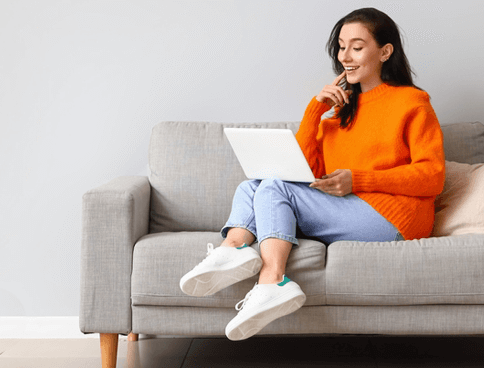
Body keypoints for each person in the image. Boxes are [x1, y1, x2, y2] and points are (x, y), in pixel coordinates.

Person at [179, 7, 445, 341]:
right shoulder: (339, 113)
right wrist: (315, 109)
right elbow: (304, 172)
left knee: (274, 189)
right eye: (341, 46)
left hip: (395, 220)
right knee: (253, 186)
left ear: (385, 51)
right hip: (347, 208)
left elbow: (432, 176)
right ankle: (233, 248)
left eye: (357, 47)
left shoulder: (413, 102)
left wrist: (358, 179)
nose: (344, 56)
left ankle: (273, 279)